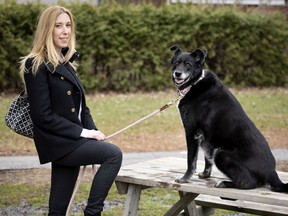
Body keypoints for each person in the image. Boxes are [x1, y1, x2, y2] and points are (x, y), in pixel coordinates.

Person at [19, 5, 122, 216]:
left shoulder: (65, 62)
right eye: (58, 26)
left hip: (71, 141)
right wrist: (84, 133)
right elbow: (42, 116)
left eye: (68, 25)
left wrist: (94, 132)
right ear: (47, 30)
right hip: (60, 143)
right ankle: (93, 212)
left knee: (57, 210)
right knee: (113, 155)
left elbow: (82, 108)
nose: (65, 31)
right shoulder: (35, 64)